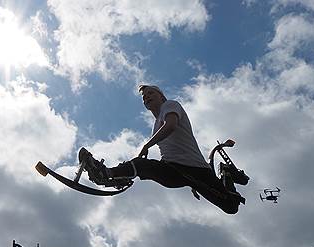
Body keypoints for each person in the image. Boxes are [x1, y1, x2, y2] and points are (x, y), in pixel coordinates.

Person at [80, 85, 243, 214]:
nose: (147, 97)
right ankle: (107, 174)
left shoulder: (170, 105)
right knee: (142, 165)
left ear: (161, 96)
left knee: (231, 206)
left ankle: (226, 172)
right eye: (144, 97)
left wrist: (147, 145)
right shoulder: (156, 124)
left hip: (195, 170)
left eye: (151, 93)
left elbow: (171, 126)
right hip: (173, 169)